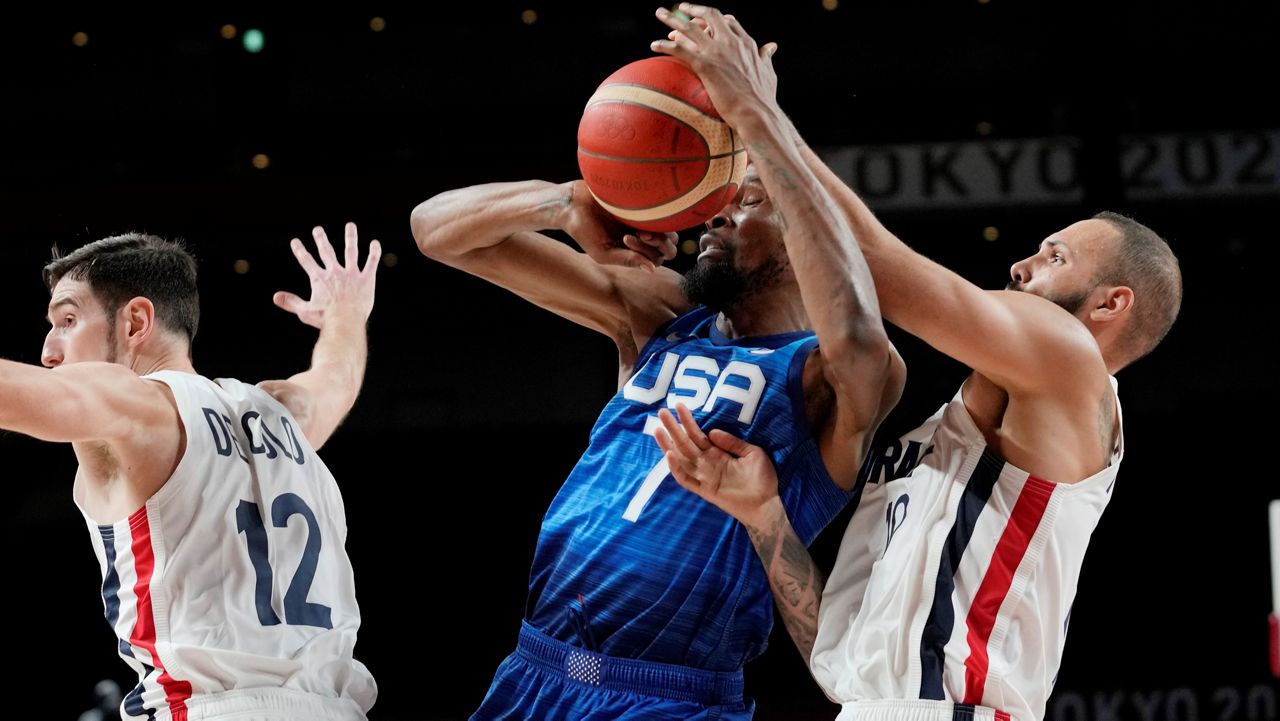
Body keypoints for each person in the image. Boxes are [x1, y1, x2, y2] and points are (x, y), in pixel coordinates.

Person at [651, 5, 1183, 721]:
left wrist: (757, 113)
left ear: (1111, 304)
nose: (1023, 263)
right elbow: (843, 660)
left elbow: (875, 268)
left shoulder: (1071, 361)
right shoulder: (940, 438)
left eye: (1055, 255)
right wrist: (763, 513)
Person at [410, 7, 905, 716]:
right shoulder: (665, 317)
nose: (717, 214)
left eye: (750, 202)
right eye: (719, 201)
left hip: (669, 697)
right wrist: (564, 203)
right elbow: (436, 232)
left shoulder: (829, 375)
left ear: (805, 240)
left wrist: (752, 109)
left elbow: (857, 332)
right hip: (533, 668)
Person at [2, 223, 382, 720]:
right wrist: (347, 314)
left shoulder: (137, 405)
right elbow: (337, 377)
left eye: (68, 320)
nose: (49, 352)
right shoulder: (283, 414)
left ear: (136, 322)